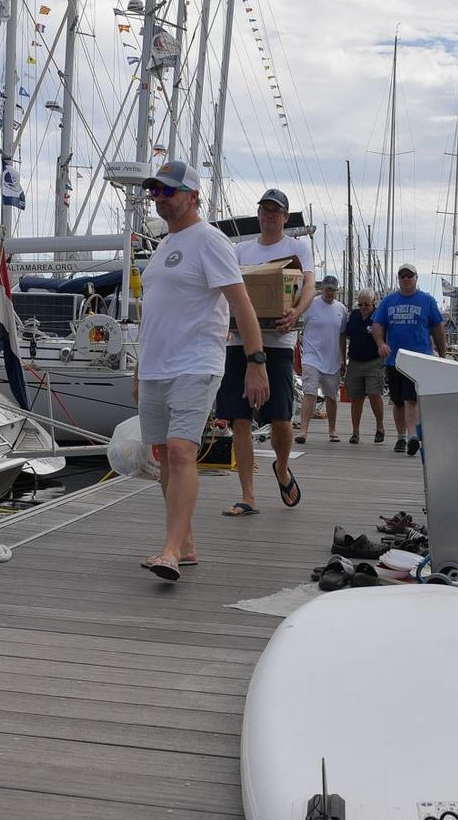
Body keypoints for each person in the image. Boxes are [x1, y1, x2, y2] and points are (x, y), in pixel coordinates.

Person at [134, 160, 268, 582]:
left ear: (193, 196)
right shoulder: (160, 249)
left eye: (168, 191)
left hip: (196, 362)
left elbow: (240, 302)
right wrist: (140, 368)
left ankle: (170, 551)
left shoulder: (210, 240)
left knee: (180, 449)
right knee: (163, 457)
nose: (160, 198)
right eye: (155, 191)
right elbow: (153, 315)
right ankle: (186, 543)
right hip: (156, 366)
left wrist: (256, 361)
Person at [218, 186, 314, 516]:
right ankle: (248, 495)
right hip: (238, 343)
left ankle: (282, 467)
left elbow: (308, 286)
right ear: (258, 214)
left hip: (279, 345)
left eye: (275, 210)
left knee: (281, 420)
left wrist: (296, 313)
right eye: (264, 209)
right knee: (240, 420)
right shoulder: (240, 250)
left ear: (285, 217)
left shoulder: (297, 248)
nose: (269, 214)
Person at [370, 264, 447, 454]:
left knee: (411, 399)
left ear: (416, 278)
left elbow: (438, 329)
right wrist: (380, 344)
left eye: (409, 275)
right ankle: (401, 437)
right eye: (402, 276)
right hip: (394, 359)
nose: (405, 279)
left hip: (419, 359)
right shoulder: (388, 301)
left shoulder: (427, 301)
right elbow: (377, 324)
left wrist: (443, 355)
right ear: (398, 279)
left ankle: (413, 436)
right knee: (397, 401)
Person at [297, 275, 346, 443]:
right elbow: (298, 324)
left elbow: (342, 335)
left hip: (332, 360)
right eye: (327, 289)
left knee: (331, 397)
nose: (330, 293)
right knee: (309, 393)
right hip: (311, 357)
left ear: (336, 291)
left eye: (333, 290)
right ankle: (303, 431)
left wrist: (343, 357)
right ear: (321, 289)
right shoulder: (310, 304)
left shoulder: (341, 309)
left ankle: (332, 431)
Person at [343, 289, 387, 444]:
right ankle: (355, 432)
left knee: (374, 394)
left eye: (366, 304)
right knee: (356, 398)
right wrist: (343, 359)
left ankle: (380, 427)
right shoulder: (354, 316)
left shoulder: (378, 317)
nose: (363, 307)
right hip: (355, 361)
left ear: (373, 303)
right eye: (360, 304)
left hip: (373, 362)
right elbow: (347, 335)